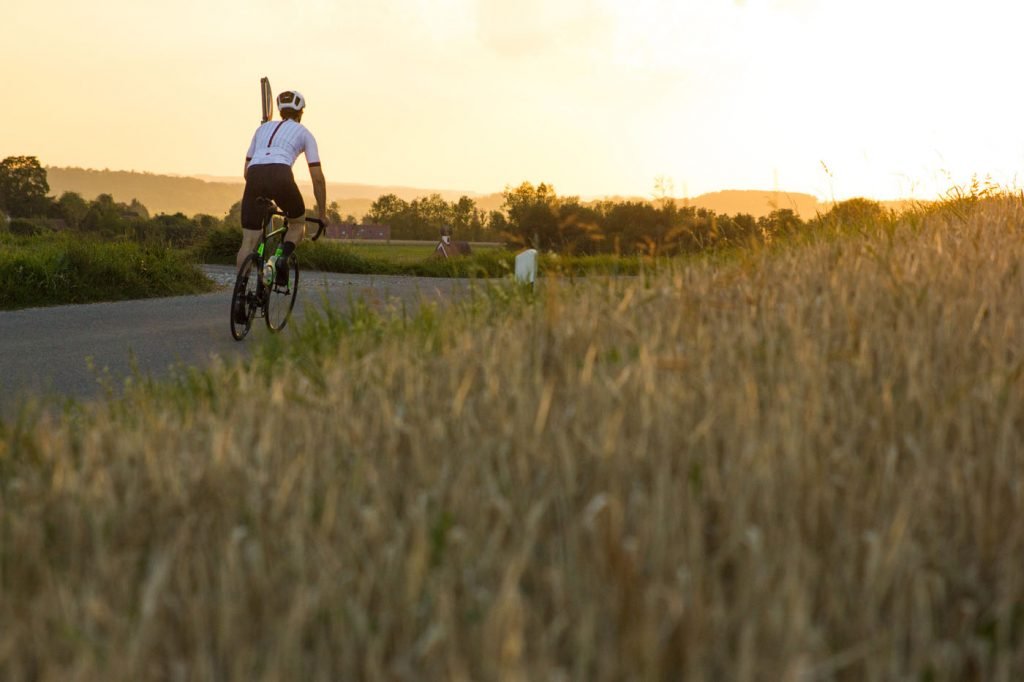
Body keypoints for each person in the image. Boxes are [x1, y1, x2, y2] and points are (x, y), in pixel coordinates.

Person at [236, 89, 327, 297]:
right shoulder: (304, 133)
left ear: (280, 111)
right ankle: (281, 259)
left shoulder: (261, 129)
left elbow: (246, 172)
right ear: (301, 112)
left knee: (248, 242)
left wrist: (263, 195)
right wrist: (323, 213)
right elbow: (317, 178)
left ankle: (240, 295)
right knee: (297, 224)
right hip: (281, 174)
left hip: (254, 175)